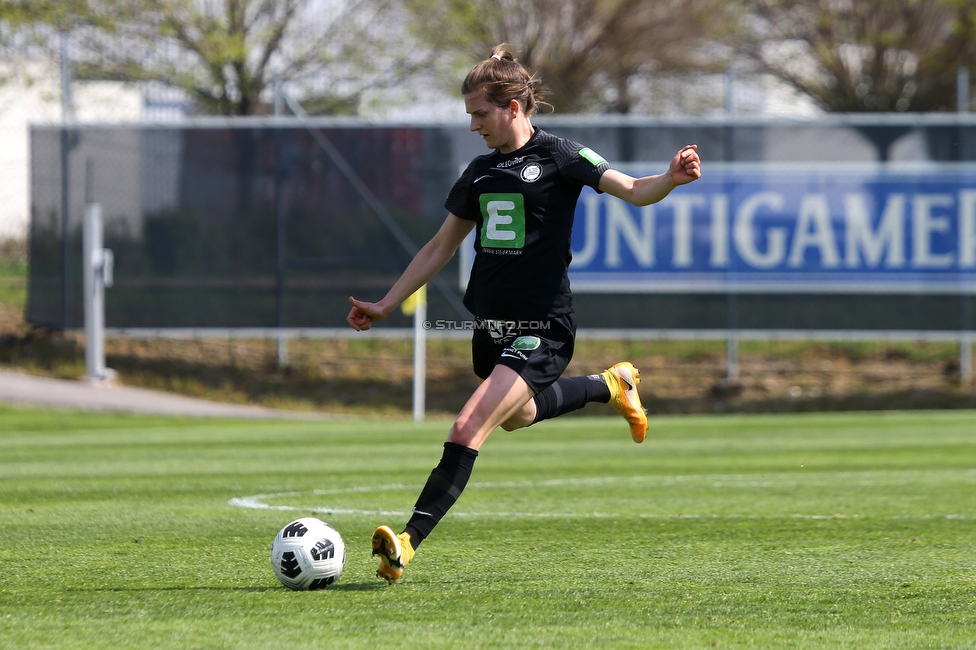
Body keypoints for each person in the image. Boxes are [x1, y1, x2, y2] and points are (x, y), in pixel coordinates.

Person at [346, 44, 701, 584]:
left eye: (480, 114)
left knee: (468, 426)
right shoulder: (480, 171)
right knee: (519, 415)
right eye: (468, 115)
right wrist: (386, 303)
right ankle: (612, 384)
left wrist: (669, 179)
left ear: (513, 106)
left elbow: (631, 189)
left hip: (543, 325)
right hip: (491, 324)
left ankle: (408, 542)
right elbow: (440, 247)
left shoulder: (562, 155)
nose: (472, 125)